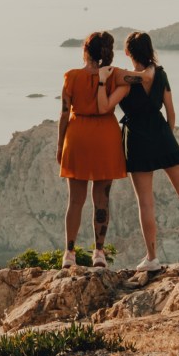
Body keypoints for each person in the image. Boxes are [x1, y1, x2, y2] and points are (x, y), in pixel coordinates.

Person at [96, 30, 179, 271]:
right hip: (162, 134)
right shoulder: (160, 74)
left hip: (137, 139)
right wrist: (167, 137)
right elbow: (171, 111)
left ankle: (151, 257)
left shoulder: (125, 79)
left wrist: (101, 79)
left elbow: (105, 106)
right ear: (150, 50)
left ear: (128, 52)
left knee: (146, 203)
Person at [56, 32, 150, 269]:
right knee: (102, 200)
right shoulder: (115, 74)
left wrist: (60, 144)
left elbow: (65, 113)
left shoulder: (71, 76)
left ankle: (69, 254)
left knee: (75, 200)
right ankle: (98, 253)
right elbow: (143, 79)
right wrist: (150, 67)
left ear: (85, 50)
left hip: (77, 138)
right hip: (105, 139)